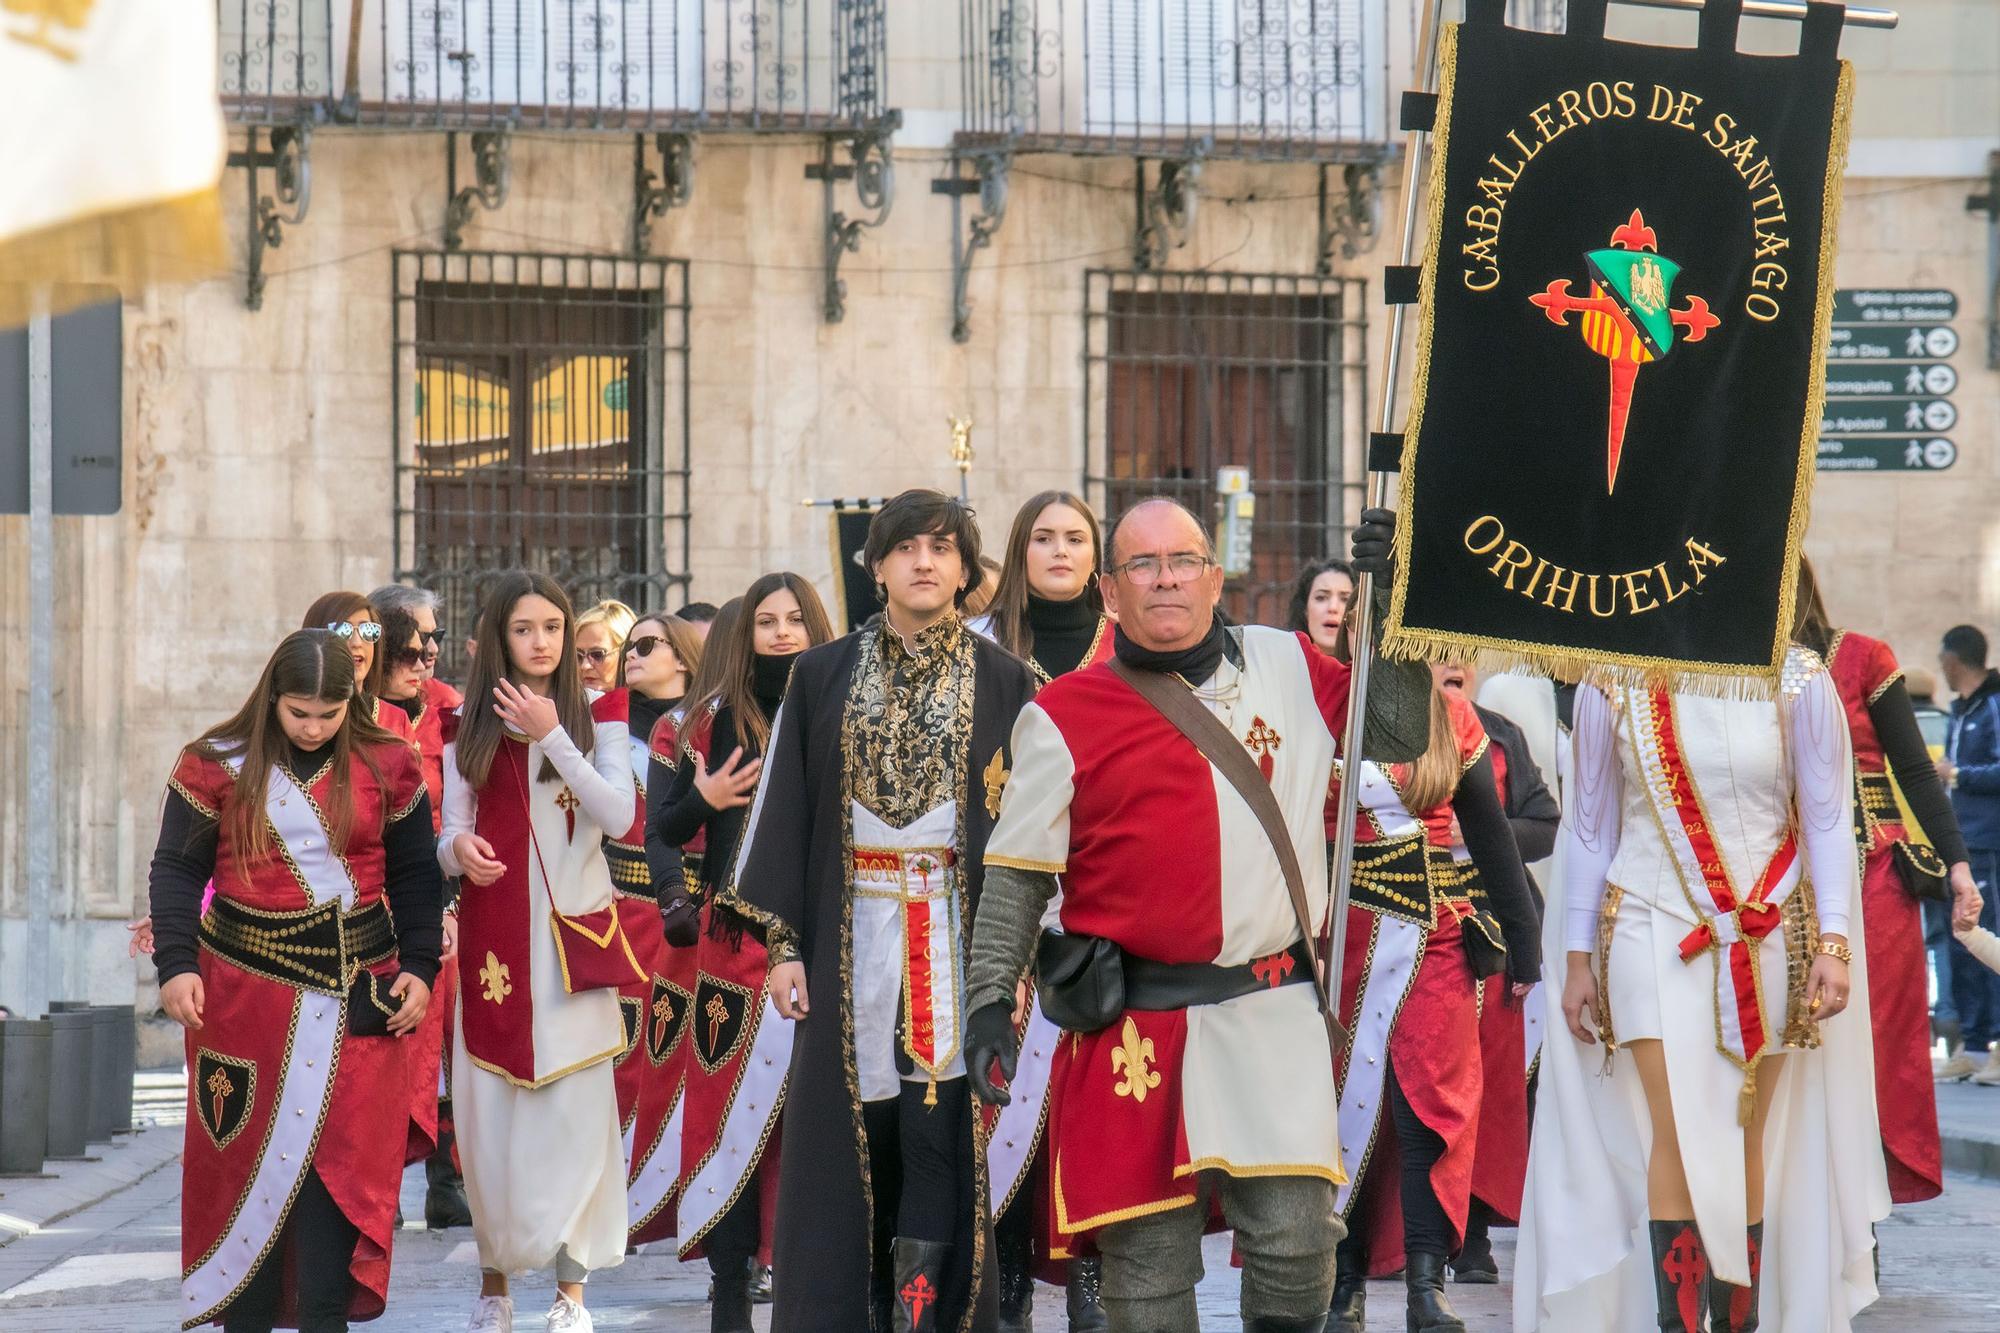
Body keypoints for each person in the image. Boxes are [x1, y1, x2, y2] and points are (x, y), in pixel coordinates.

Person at [962, 502, 1437, 1333]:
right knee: (1147, 1276)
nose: (1167, 577)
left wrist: (1389, 600)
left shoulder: (1290, 662)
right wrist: (987, 1001)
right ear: (1109, 591)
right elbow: (1016, 874)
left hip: (1270, 1005)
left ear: (1215, 576)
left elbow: (1394, 727)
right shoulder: (1062, 713)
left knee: (1297, 1250)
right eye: (1142, 565)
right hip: (1135, 1024)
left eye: (1183, 559)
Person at [725, 490, 1037, 1332]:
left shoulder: (1010, 681)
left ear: (968, 569)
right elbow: (788, 815)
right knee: (858, 1131)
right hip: (850, 929)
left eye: (942, 547)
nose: (925, 561)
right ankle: (853, 1310)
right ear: (877, 565)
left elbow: (1034, 834)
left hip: (955, 930)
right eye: (906, 547)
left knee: (938, 1130)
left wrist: (1013, 966)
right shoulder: (821, 673)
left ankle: (922, 1315)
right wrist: (785, 945)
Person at [1516, 647, 1887, 1332]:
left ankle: (1736, 1321)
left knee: (1743, 1130)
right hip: (1648, 925)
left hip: (1768, 927)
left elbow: (1829, 816)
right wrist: (1575, 957)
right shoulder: (1613, 673)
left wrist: (1834, 939)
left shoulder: (1798, 677)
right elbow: (1592, 827)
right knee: (1676, 1129)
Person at [150, 630, 442, 1333]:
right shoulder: (212, 763)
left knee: (330, 1218)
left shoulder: (391, 763)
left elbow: (415, 875)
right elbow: (177, 869)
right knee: (242, 1214)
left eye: (328, 713)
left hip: (356, 1009)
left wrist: (422, 967)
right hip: (243, 1010)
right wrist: (176, 963)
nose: (313, 727)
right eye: (298, 712)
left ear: (351, 703)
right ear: (271, 696)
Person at [440, 572, 636, 1333]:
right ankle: (494, 1286)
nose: (543, 641)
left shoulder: (603, 722)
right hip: (495, 953)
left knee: (576, 1118)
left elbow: (618, 815)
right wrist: (457, 848)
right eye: (525, 628)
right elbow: (445, 834)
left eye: (552, 626)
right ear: (500, 638)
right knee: (494, 1120)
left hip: (571, 950)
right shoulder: (470, 727)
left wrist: (554, 730)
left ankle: (571, 1294)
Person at [1322, 662, 1542, 1333]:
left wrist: (1524, 943)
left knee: (1431, 1109)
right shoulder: (1323, 700)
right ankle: (1342, 1284)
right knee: (1343, 1108)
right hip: (1343, 935)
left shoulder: (1452, 715)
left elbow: (1491, 834)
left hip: (1437, 932)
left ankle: (1427, 1283)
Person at [653, 576, 833, 1330]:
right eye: (767, 620)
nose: (784, 631)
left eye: (796, 619)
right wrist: (707, 800)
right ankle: (729, 1293)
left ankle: (812, 1291)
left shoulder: (841, 707)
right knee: (727, 1127)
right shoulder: (698, 723)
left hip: (824, 940)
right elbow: (660, 827)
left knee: (814, 1126)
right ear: (744, 631)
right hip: (730, 952)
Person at [968, 491, 1115, 1331]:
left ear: (1096, 557)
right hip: (1001, 896)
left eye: (1076, 538)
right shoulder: (982, 653)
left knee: (1088, 1106)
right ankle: (1010, 1287)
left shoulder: (1125, 648)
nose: (1060, 550)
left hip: (1099, 899)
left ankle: (1089, 1285)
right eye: (1045, 537)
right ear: (1019, 550)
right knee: (1004, 1101)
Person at [1795, 564, 1979, 1200]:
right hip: (1775, 872)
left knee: (1876, 1037)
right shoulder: (1732, 673)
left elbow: (1916, 770)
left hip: (1872, 869)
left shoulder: (1863, 658)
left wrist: (1957, 866)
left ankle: (1862, 1202)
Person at [1433, 661, 1559, 1288]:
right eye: (1437, 647)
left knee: (1493, 1086)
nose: (1450, 661)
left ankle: (1474, 1233)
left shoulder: (1501, 733)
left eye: (1462, 648)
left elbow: (1544, 826)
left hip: (1493, 929)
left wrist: (1482, 830)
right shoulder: (1378, 726)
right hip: (1407, 919)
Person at [372, 582, 474, 1230]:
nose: (425, 655)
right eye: (410, 646)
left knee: (457, 1040)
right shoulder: (356, 714)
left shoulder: (452, 710)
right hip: (378, 899)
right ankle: (377, 1182)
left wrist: (457, 902)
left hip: (449, 895)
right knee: (391, 1044)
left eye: (433, 640)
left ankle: (450, 1176)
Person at [606, 611, 705, 1250]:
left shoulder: (709, 727)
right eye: (628, 648)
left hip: (688, 918)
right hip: (618, 915)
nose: (632, 657)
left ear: (686, 659)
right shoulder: (603, 728)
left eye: (648, 645)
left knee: (687, 1061)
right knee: (619, 1063)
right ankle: (613, 1196)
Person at [1939, 624, 2000, 1084]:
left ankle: (1994, 1045)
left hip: (1986, 840)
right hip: (1960, 842)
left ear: (1953, 659)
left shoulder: (1993, 705)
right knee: (1961, 942)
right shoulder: (1958, 712)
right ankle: (1973, 1045)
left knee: (1989, 940)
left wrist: (1958, 774)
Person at [304, 591, 414, 744]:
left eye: (368, 631)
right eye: (343, 631)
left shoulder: (396, 721)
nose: (357, 642)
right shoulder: (296, 720)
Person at [1288, 557, 1357, 657]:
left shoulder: (1373, 670)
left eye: (1345, 599)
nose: (1332, 608)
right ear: (1305, 609)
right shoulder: (1281, 666)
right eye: (1321, 598)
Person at [574, 600, 639, 694]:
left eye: (597, 655)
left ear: (626, 653)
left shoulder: (653, 707)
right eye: (578, 656)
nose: (585, 666)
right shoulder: (559, 705)